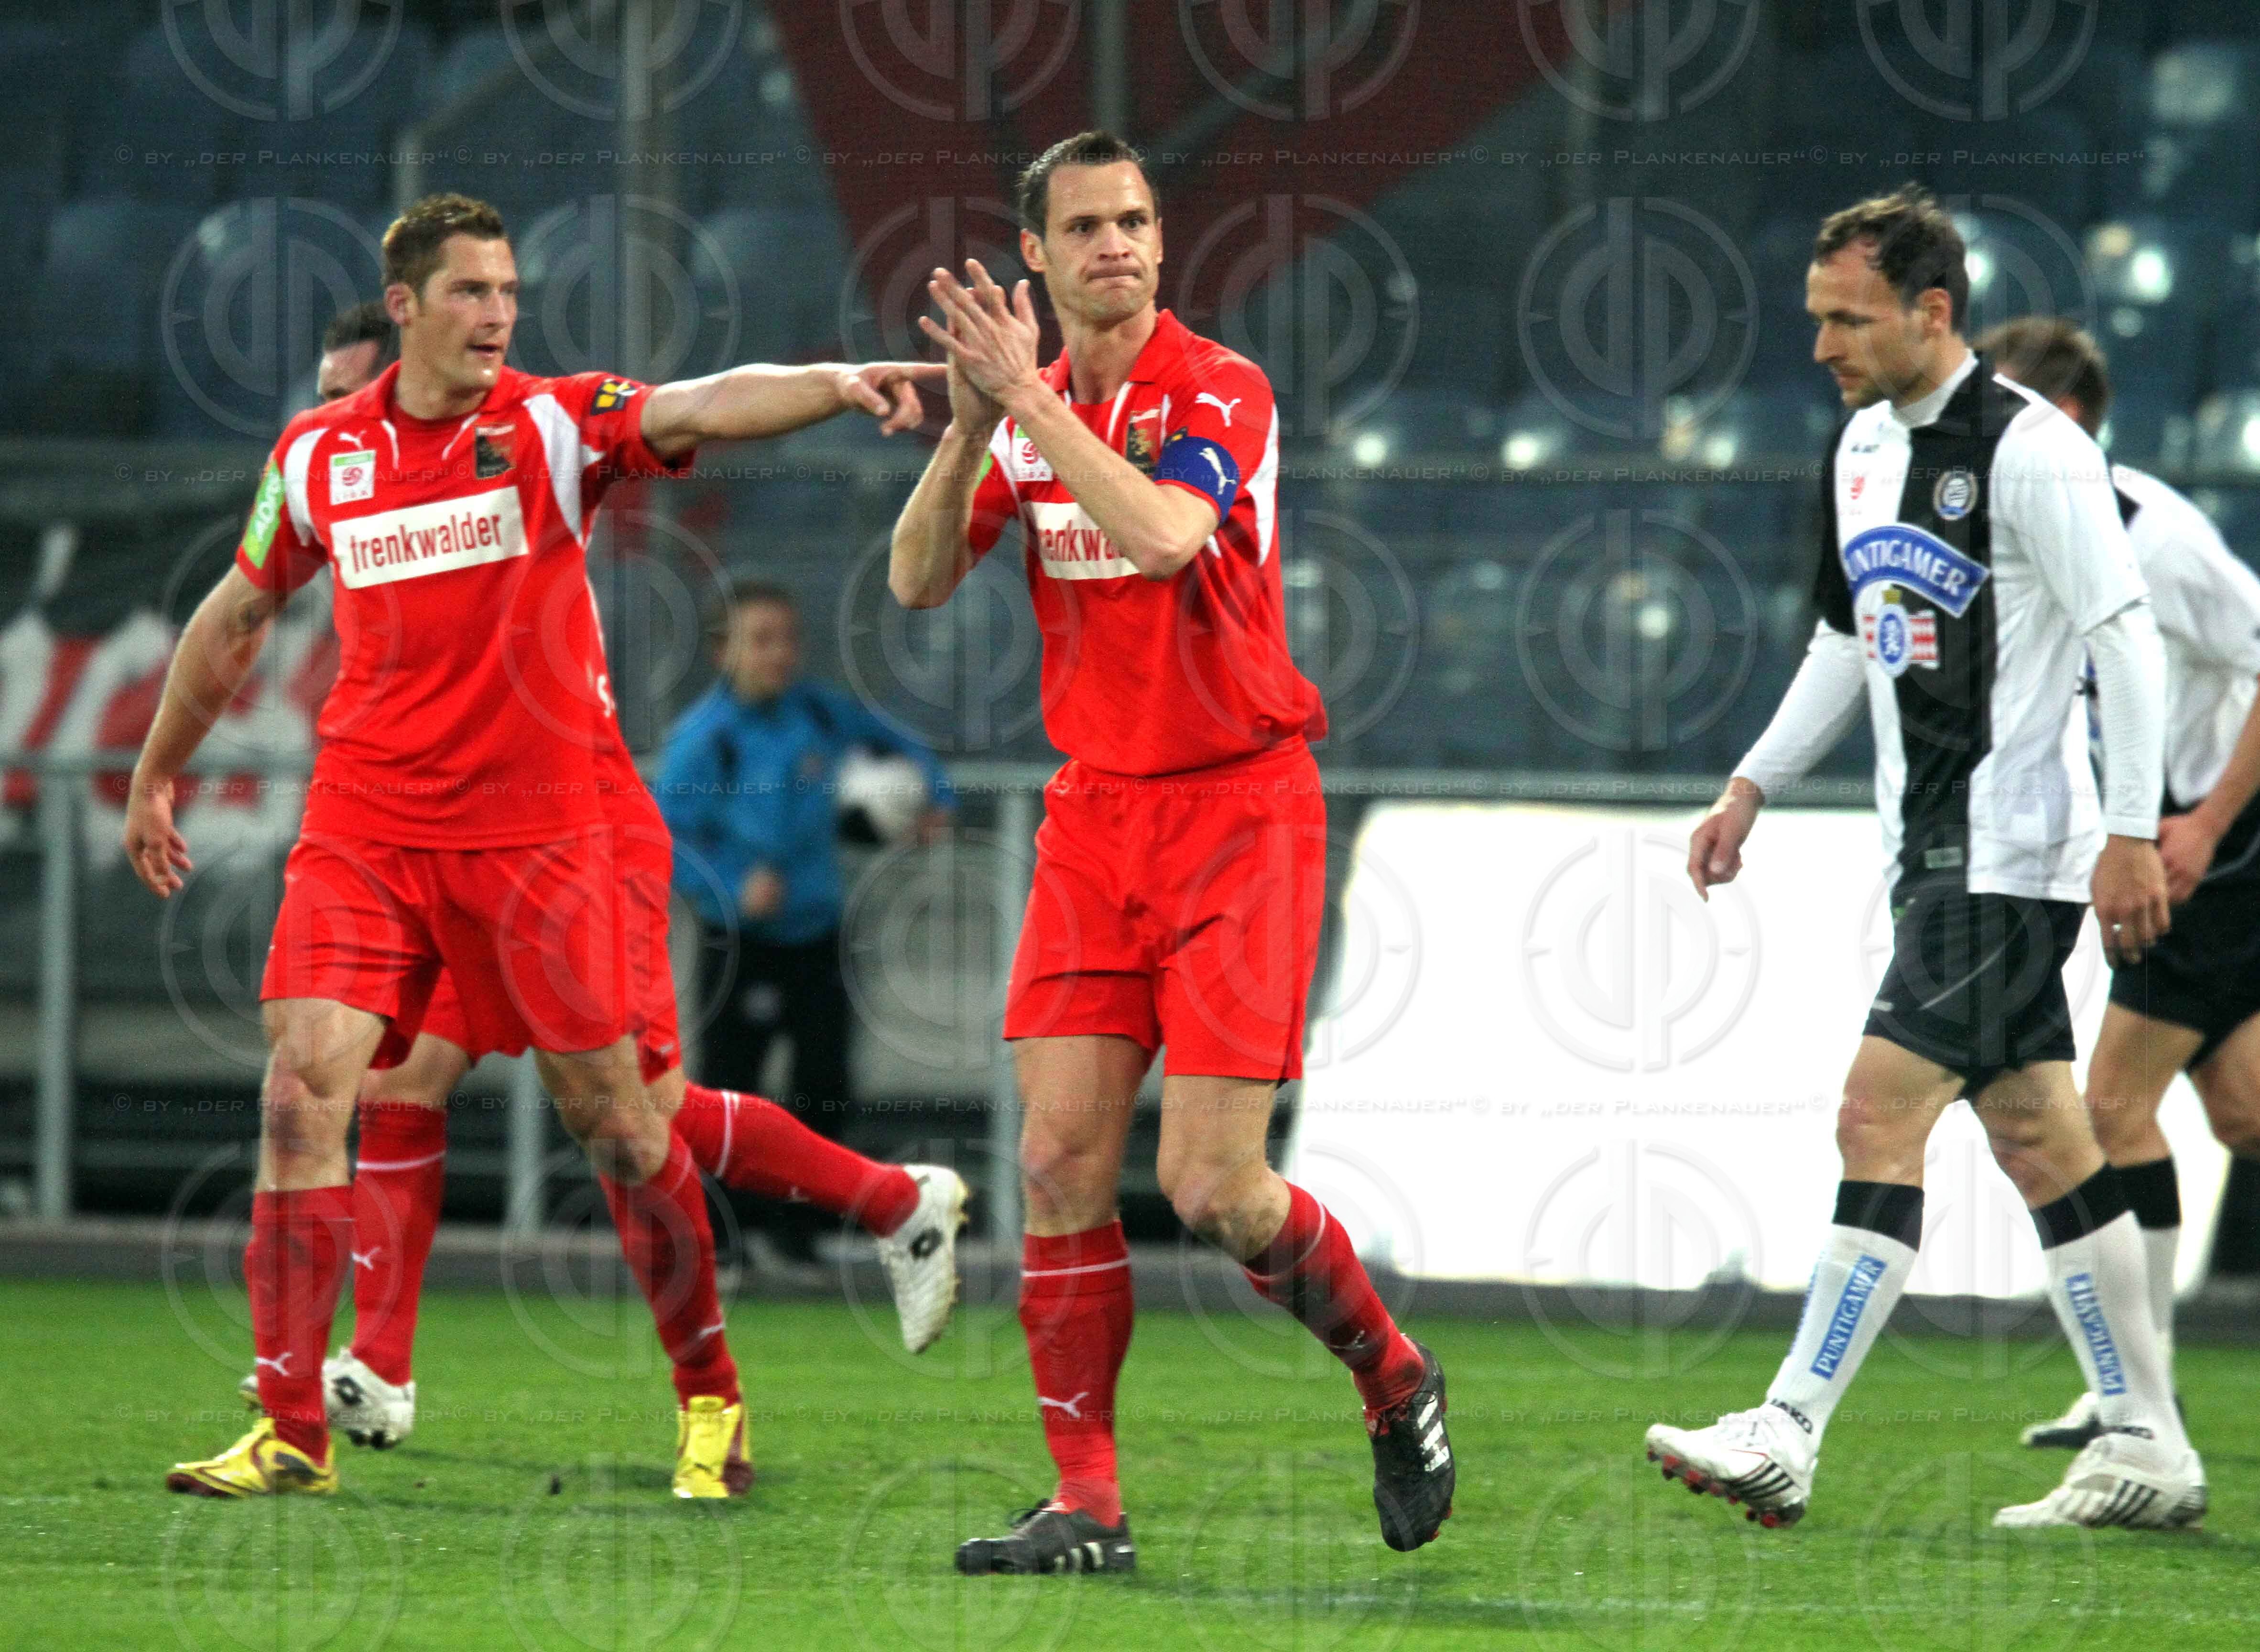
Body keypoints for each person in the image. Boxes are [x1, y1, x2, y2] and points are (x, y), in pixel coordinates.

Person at [125, 192, 943, 1500]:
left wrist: (836, 384)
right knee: (300, 1095)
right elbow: (234, 616)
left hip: (540, 832)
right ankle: (293, 1428)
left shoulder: (553, 423)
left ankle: (712, 1402)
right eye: (470, 292)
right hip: (371, 824)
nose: (499, 314)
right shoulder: (321, 456)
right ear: (406, 308)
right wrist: (158, 770)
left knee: (622, 1128)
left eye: (508, 292)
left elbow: (698, 404)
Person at [891, 130, 1453, 1575]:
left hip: (1239, 811)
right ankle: (1088, 1507)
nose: (1117, 247)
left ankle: (1393, 1377)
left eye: (1134, 220)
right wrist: (969, 428)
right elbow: (915, 578)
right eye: (1083, 227)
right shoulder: (1022, 414)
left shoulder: (1220, 386)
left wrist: (1028, 405)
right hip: (1097, 816)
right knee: (1059, 1158)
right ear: (1037, 254)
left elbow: (1157, 536)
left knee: (1216, 1190)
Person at [1646, 187, 2203, 1530]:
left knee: (1874, 1112)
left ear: (1931, 310)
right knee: (2037, 1137)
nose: (1825, 344)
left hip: (2014, 854)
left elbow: (2123, 638)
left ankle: (1788, 1423)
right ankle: (2146, 1440)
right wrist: (1752, 784)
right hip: (1930, 850)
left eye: (1849, 319)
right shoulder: (1857, 451)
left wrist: (2131, 829)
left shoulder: (2034, 451)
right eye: (1817, 318)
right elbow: (1847, 641)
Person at [1977, 315, 2260, 1452]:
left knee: (2111, 1109)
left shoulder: (2162, 537)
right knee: (2241, 1112)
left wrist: (2201, 824)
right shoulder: (2049, 540)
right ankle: (2133, 1392)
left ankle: (2133, 1396)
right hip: (2182, 839)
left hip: (2217, 847)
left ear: (2070, 425)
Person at [658, 576, 955, 1266]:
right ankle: (722, 1243)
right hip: (740, 940)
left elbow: (906, 748)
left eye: (788, 639)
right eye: (761, 640)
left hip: (819, 931)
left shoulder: (819, 714)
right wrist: (734, 885)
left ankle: (800, 1236)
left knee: (824, 1085)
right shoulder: (706, 738)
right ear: (721, 651)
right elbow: (668, 838)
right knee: (729, 1091)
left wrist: (931, 798)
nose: (780, 655)